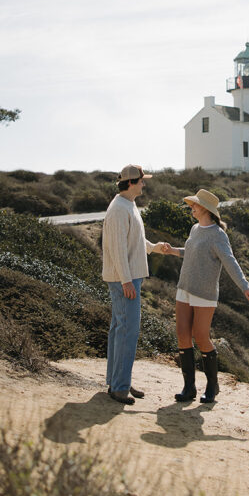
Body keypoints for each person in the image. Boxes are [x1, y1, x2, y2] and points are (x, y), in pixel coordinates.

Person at [163, 188, 249, 405]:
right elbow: (191, 252)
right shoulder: (195, 229)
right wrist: (173, 251)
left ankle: (212, 386)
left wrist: (246, 287)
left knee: (201, 337)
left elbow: (230, 262)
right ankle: (189, 387)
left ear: (206, 209)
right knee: (182, 335)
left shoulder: (218, 235)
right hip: (184, 288)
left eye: (195, 205)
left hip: (204, 292)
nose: (191, 207)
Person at [102, 164, 174, 405]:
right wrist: (125, 280)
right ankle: (119, 387)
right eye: (142, 181)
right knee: (127, 331)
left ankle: (118, 380)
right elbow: (118, 248)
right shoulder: (119, 209)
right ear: (131, 183)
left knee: (119, 329)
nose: (144, 184)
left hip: (128, 276)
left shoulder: (128, 205)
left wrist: (154, 248)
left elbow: (134, 240)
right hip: (124, 278)